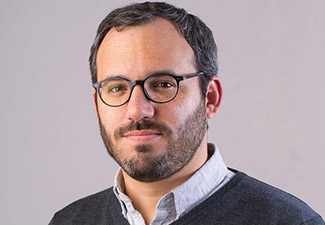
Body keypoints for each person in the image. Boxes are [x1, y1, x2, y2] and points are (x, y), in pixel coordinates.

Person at [49, 2, 324, 225]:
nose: (137, 110)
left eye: (163, 84)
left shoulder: (290, 222)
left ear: (210, 98)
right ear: (97, 104)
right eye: (117, 88)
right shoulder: (68, 221)